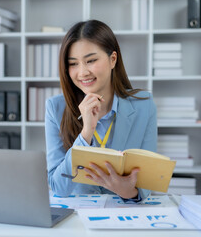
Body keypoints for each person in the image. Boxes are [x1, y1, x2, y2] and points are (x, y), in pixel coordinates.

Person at [45, 20, 157, 202]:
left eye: (91, 61)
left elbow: (148, 182)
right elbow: (58, 187)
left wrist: (127, 191)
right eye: (73, 64)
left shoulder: (144, 106)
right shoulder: (55, 108)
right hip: (76, 218)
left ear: (113, 59)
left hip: (124, 214)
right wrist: (86, 133)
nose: (82, 72)